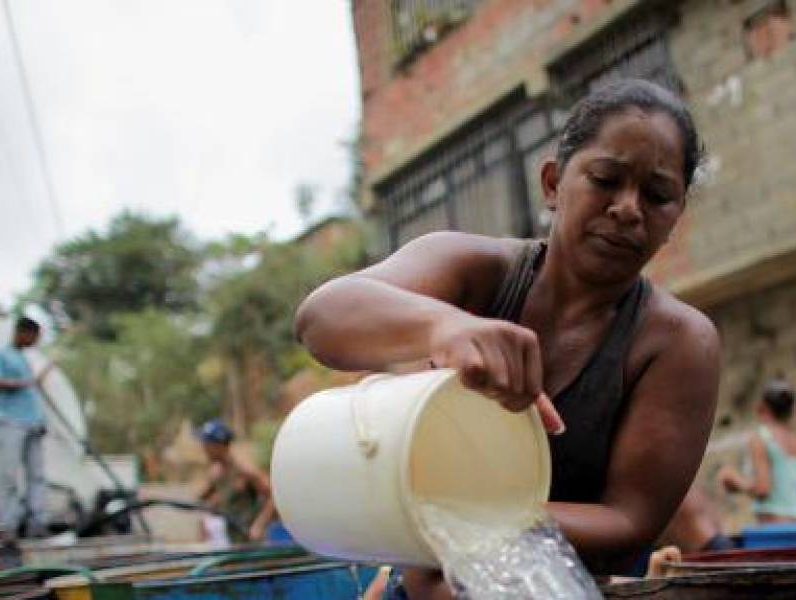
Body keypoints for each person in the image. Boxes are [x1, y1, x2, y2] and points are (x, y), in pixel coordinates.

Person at [295, 78, 721, 591]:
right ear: (552, 184)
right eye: (606, 179)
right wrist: (445, 326)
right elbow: (321, 319)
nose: (629, 208)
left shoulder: (676, 342)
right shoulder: (475, 271)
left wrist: (468, 518)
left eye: (657, 196)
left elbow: (628, 522)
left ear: (675, 218)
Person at [0, 317, 53, 541]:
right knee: (9, 475)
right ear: (23, 333)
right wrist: (26, 383)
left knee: (37, 475)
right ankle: (7, 524)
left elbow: (32, 393)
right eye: (34, 336)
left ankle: (37, 521)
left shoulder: (24, 359)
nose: (35, 342)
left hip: (33, 423)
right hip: (11, 422)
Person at [718, 379, 796, 523]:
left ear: (762, 407)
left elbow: (763, 490)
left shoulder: (761, 439)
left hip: (775, 526)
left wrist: (734, 480)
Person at [195, 419, 279, 544]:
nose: (204, 449)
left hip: (252, 540)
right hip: (233, 539)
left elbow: (275, 497)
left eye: (207, 445)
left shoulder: (245, 471)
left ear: (220, 445)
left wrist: (259, 525)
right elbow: (201, 500)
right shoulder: (216, 473)